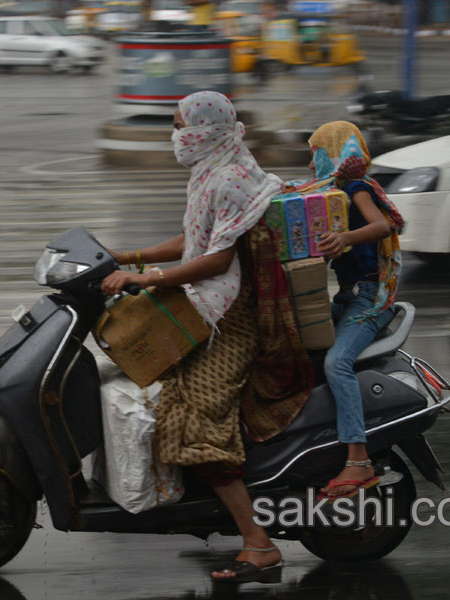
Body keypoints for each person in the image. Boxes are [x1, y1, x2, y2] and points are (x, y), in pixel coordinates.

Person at [101, 91, 313, 583]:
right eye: (175, 126)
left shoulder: (231, 179)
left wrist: (148, 278)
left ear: (208, 129)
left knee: (196, 422)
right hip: (210, 302)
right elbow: (195, 240)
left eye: (181, 126)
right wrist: (129, 257)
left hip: (233, 320)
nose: (177, 136)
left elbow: (216, 261)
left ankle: (259, 545)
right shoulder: (212, 169)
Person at [291, 121, 404, 499]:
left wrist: (345, 237)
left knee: (335, 364)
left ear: (332, 151)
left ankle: (358, 459)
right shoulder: (330, 194)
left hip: (370, 298)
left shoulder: (356, 188)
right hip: (347, 296)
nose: (311, 165)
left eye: (315, 153)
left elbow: (382, 225)